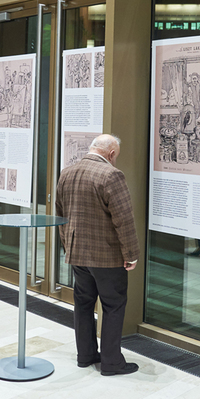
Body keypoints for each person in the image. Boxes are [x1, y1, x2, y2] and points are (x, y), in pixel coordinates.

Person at [55, 134, 140, 376]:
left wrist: (67, 245)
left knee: (83, 304)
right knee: (113, 305)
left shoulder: (67, 172)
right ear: (111, 154)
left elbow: (60, 214)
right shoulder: (111, 175)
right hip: (107, 256)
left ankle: (86, 356)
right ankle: (112, 362)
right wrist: (131, 254)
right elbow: (123, 219)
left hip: (77, 254)